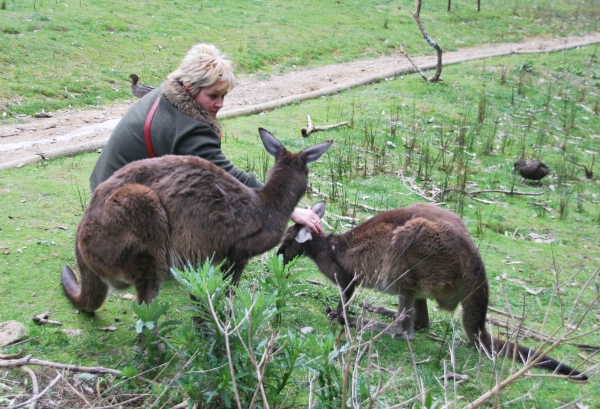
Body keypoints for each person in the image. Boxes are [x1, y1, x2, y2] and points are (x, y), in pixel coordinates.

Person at [89, 43, 323, 233]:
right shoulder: (190, 128)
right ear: (190, 87)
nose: (221, 104)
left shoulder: (165, 96)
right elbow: (227, 175)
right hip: (119, 216)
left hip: (105, 196)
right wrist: (286, 208)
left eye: (224, 95)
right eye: (213, 96)